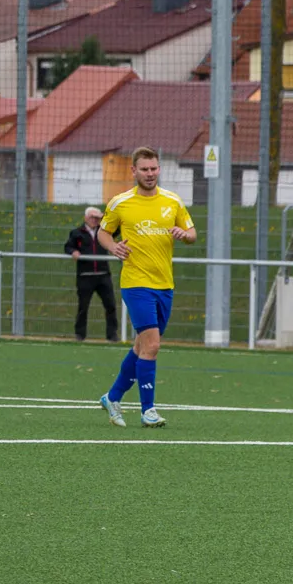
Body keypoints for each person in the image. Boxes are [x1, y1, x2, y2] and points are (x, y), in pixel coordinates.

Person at [97, 147, 196, 428]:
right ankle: (148, 410)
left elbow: (192, 233)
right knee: (152, 345)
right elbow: (103, 232)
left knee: (142, 346)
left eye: (154, 169)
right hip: (136, 283)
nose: (150, 174)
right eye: (144, 169)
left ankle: (112, 397)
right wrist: (113, 246)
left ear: (159, 169)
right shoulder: (121, 203)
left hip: (164, 284)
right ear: (134, 171)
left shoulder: (172, 201)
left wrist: (184, 235)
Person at [65, 205, 119, 342]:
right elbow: (68, 246)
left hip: (103, 275)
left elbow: (118, 228)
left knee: (110, 305)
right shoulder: (77, 233)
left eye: (97, 218)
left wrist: (104, 217)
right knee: (83, 307)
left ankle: (112, 335)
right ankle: (80, 334)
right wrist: (73, 252)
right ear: (85, 218)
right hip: (85, 276)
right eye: (92, 217)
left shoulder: (105, 232)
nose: (94, 220)